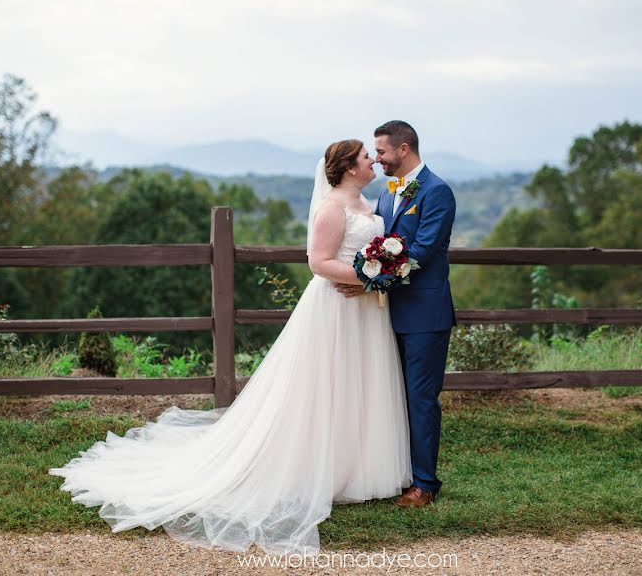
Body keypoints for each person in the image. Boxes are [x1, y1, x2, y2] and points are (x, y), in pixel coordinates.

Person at [48, 139, 412, 556]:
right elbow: (317, 262)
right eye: (367, 157)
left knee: (360, 383)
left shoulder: (371, 204)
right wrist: (366, 279)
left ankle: (361, 470)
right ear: (349, 167)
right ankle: (323, 469)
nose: (373, 161)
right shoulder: (332, 208)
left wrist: (380, 275)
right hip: (337, 308)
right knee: (326, 385)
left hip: (367, 310)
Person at [336, 120, 456, 507]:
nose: (378, 159)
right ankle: (399, 473)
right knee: (392, 396)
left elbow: (421, 252)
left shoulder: (437, 192)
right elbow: (380, 246)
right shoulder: (387, 196)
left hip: (425, 315)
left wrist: (367, 283)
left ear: (403, 150)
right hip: (387, 314)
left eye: (383, 152)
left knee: (420, 398)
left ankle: (425, 484)